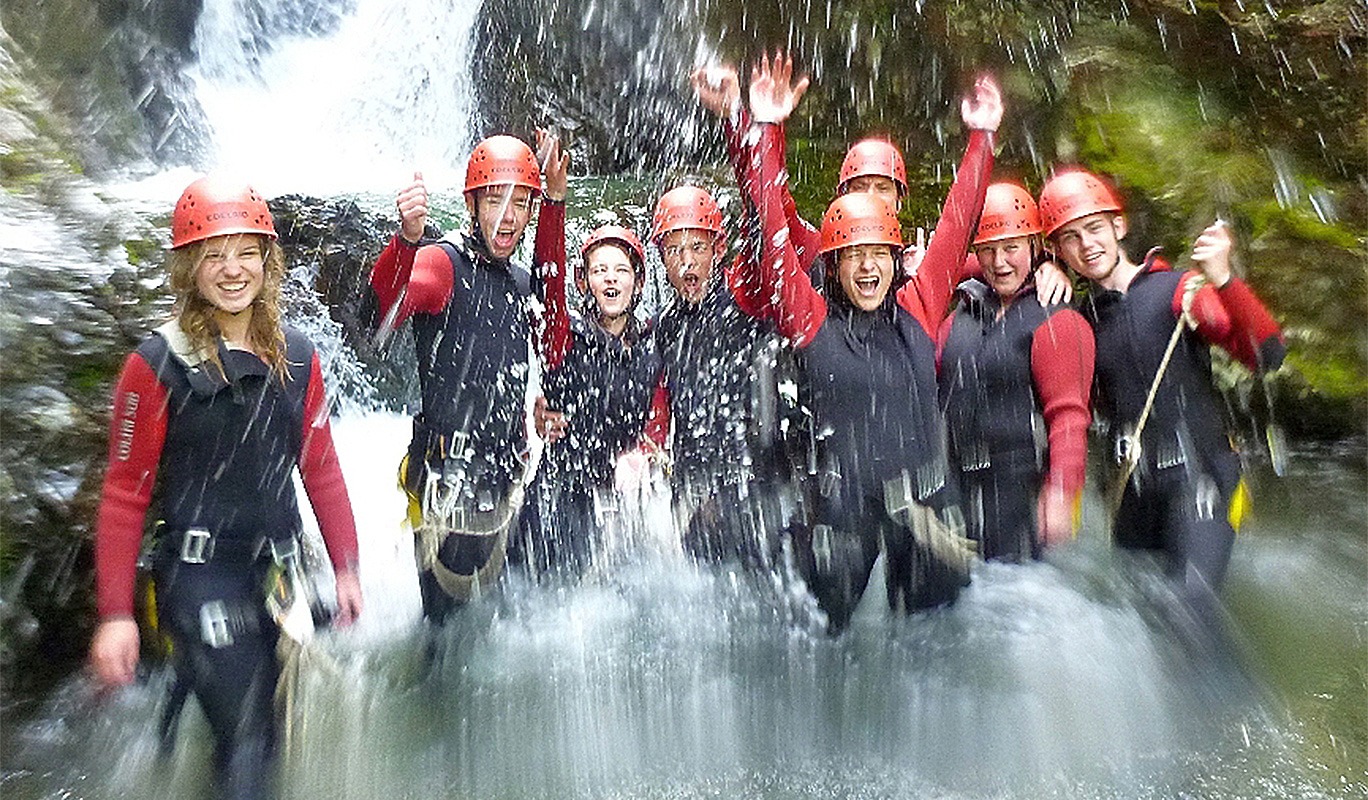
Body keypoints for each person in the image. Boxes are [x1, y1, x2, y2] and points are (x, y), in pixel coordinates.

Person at [88, 175, 364, 800]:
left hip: (279, 572)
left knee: (268, 719)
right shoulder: (154, 365)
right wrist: (114, 616)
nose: (233, 269)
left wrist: (346, 569)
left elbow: (320, 468)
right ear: (189, 266)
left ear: (269, 261)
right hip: (199, 574)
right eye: (214, 253)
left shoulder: (298, 356)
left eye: (247, 252)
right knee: (248, 738)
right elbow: (124, 493)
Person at [738, 56, 1001, 632]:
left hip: (927, 505)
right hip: (842, 512)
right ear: (831, 264)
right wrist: (765, 131)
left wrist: (982, 137)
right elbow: (772, 229)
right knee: (824, 642)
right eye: (853, 255)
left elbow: (958, 221)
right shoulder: (809, 319)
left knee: (938, 648)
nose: (865, 267)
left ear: (894, 258)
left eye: (877, 253)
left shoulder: (919, 304)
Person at [1037, 168, 1284, 607]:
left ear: (1119, 226)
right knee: (1146, 617)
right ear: (1058, 251)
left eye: (1094, 228)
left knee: (1190, 605)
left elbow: (1266, 356)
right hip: (1132, 490)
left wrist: (1224, 281)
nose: (1087, 245)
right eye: (1070, 238)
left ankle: (1224, 680)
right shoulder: (1080, 320)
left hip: (1202, 478)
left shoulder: (1178, 291)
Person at [368, 132, 568, 619]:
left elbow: (554, 328)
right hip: (446, 486)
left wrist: (555, 206)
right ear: (472, 203)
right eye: (496, 199)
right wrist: (406, 240)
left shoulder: (521, 282)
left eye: (522, 204)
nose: (508, 216)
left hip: (503, 476)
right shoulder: (442, 263)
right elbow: (382, 315)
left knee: (493, 629)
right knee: (446, 637)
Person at [936, 182, 1095, 562]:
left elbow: (1069, 415)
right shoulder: (963, 314)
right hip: (956, 484)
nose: (1000, 262)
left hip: (1019, 490)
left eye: (1011, 248)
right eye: (988, 250)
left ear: (1033, 247)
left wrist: (1061, 489)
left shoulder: (1057, 320)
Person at [647, 183, 793, 567]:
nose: (687, 263)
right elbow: (657, 401)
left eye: (698, 248)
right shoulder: (664, 325)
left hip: (753, 484)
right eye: (674, 251)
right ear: (662, 259)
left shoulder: (748, 300)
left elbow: (764, 225)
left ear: (718, 250)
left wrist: (752, 131)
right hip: (695, 485)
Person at [514, 223, 661, 575]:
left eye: (621, 270)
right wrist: (555, 199)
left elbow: (662, 412)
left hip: (619, 498)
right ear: (584, 283)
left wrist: (646, 449)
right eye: (600, 271)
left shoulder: (654, 344)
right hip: (559, 496)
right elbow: (546, 282)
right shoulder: (563, 336)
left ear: (638, 283)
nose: (611, 280)